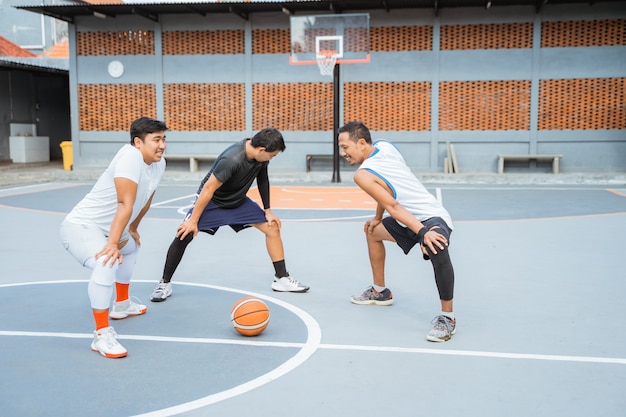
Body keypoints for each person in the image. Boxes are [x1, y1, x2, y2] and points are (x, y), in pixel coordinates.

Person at [150, 127, 309, 302]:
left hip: (238, 201)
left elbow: (263, 179)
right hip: (213, 201)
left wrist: (268, 211)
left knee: (272, 228)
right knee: (184, 234)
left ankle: (281, 278)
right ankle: (164, 283)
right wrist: (193, 221)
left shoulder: (260, 156)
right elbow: (208, 189)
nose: (271, 158)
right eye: (272, 156)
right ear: (262, 150)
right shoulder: (232, 159)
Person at [337, 121, 457, 342]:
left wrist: (423, 233)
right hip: (407, 220)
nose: (342, 153)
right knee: (373, 232)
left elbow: (393, 205)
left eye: (345, 147)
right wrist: (377, 218)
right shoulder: (385, 146)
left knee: (436, 245)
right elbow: (387, 192)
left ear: (361, 143)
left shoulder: (362, 174)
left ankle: (447, 318)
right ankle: (380, 291)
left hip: (431, 216)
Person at [60, 117, 168, 358]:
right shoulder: (130, 157)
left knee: (131, 249)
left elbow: (148, 196)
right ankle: (101, 335)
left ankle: (121, 304)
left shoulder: (158, 163)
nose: (161, 145)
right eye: (156, 140)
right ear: (138, 142)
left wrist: (134, 228)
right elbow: (125, 203)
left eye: (164, 139)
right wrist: (111, 244)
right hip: (82, 226)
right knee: (106, 261)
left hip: (110, 228)